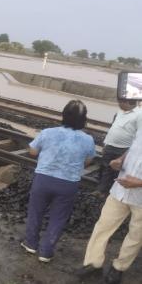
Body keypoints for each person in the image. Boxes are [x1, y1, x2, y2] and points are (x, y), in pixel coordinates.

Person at [21, 100, 96, 262]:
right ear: (84, 119)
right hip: (68, 184)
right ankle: (46, 252)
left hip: (43, 179)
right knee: (58, 217)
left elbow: (33, 152)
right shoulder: (88, 140)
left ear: (64, 115)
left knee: (36, 212)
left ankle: (31, 244)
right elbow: (88, 161)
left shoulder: (48, 132)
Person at [78, 127, 142, 284]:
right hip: (119, 189)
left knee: (135, 236)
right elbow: (135, 146)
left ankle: (119, 267)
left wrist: (139, 182)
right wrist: (121, 160)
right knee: (103, 226)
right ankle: (94, 263)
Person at [95, 99, 141, 197]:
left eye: (121, 102)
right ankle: (100, 190)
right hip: (110, 146)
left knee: (117, 172)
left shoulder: (139, 114)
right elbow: (113, 128)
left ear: (129, 102)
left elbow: (138, 135)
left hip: (124, 149)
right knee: (105, 168)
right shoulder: (119, 112)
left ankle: (111, 193)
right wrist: (105, 143)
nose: (119, 103)